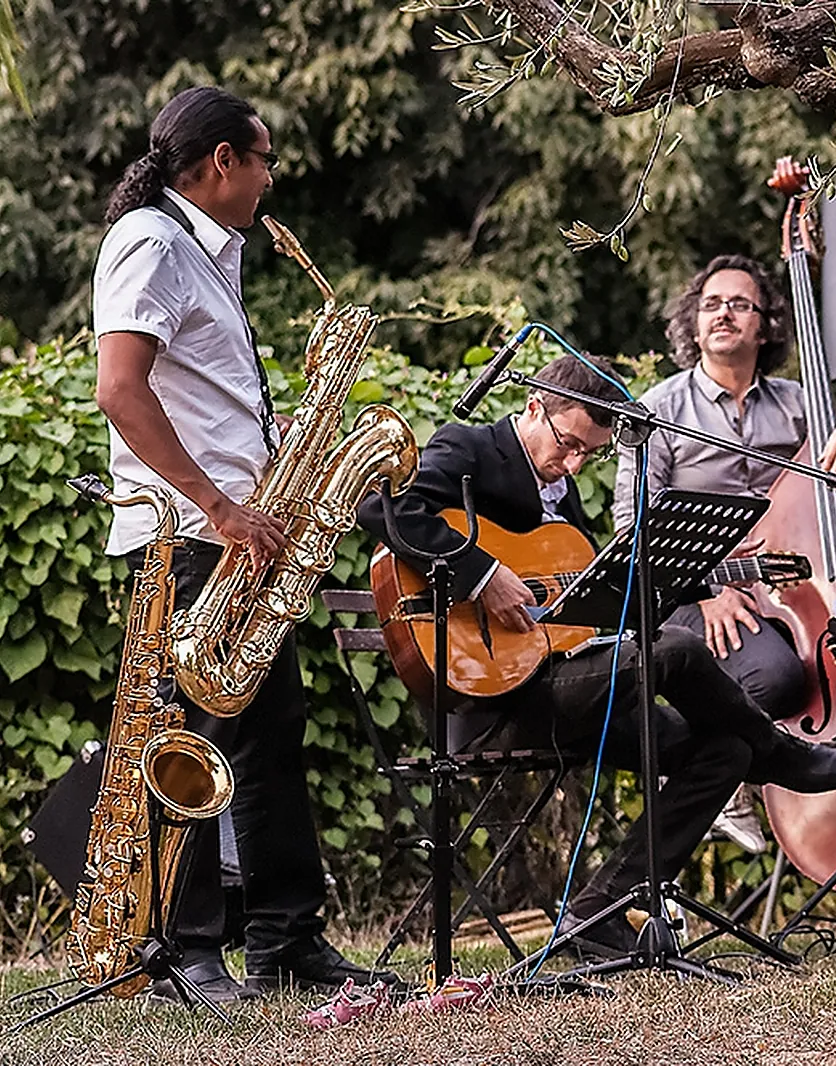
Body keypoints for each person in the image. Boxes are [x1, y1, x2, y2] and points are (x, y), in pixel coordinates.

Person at [354, 354, 836, 959]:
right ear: (534, 407)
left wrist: (690, 575)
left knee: (726, 752)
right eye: (567, 445)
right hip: (492, 695)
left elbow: (592, 593)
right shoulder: (469, 448)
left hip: (570, 685)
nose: (572, 463)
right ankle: (787, 758)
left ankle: (597, 911)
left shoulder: (562, 492)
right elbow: (381, 509)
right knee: (677, 648)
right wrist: (483, 574)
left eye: (587, 454)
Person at [93, 87, 397, 999]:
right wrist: (221, 508)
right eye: (263, 159)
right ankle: (182, 952)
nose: (270, 178)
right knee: (190, 746)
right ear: (221, 160)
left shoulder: (205, 253)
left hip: (240, 538)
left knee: (270, 738)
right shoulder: (151, 241)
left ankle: (286, 940)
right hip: (192, 541)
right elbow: (120, 388)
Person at [612, 254, 836, 851]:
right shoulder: (659, 410)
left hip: (792, 586)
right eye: (712, 304)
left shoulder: (801, 404)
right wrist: (706, 593)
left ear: (764, 326)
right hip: (698, 584)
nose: (724, 314)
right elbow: (630, 522)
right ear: (692, 324)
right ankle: (709, 769)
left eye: (740, 304)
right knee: (775, 675)